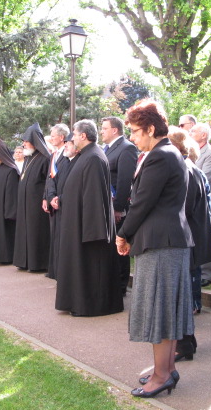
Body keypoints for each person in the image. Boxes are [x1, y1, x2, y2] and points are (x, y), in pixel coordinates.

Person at [116, 100, 194, 399]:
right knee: (166, 312)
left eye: (135, 131)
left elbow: (142, 203)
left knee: (161, 312)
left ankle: (162, 375)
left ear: (150, 128)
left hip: (162, 244)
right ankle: (166, 369)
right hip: (166, 242)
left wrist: (122, 235)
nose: (132, 137)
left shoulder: (160, 156)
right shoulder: (164, 153)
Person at [55, 120, 124, 316]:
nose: (72, 138)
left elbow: (94, 197)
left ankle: (90, 304)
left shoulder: (93, 157)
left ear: (83, 136)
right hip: (77, 223)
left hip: (87, 228)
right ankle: (76, 302)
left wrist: (92, 231)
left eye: (74, 135)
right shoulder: (85, 156)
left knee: (91, 269)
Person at [168, 126, 211, 360]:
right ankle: (186, 343)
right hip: (188, 240)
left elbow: (182, 211)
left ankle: (184, 344)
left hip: (185, 241)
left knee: (181, 295)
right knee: (182, 294)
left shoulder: (185, 170)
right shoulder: (189, 168)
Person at [101, 116, 138, 294]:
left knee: (120, 247)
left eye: (104, 128)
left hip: (118, 208)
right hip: (106, 206)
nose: (101, 131)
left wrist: (119, 208)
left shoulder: (127, 148)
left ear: (114, 130)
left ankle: (121, 286)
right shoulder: (106, 149)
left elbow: (124, 181)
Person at [14, 123, 51, 271]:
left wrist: (44, 198)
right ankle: (24, 261)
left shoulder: (45, 158)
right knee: (24, 232)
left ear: (35, 141)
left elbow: (48, 181)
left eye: (26, 141)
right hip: (24, 203)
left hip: (36, 204)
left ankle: (37, 263)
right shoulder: (29, 157)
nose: (24, 144)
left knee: (36, 232)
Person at [189, 122, 211, 286]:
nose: (190, 132)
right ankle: (195, 270)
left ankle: (207, 274)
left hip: (205, 203)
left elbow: (205, 178)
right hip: (191, 202)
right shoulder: (189, 152)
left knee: (205, 236)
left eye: (193, 131)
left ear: (203, 135)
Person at [48, 133, 79, 280]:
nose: (66, 145)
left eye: (69, 143)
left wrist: (59, 198)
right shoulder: (64, 161)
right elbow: (54, 180)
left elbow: (74, 188)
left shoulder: (79, 162)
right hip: (59, 205)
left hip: (70, 208)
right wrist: (51, 197)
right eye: (65, 142)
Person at [42, 123, 70, 278]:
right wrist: (47, 197)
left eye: (53, 136)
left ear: (62, 137)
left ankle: (61, 271)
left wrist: (57, 197)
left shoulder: (68, 154)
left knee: (61, 237)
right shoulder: (54, 155)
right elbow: (49, 178)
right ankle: (53, 269)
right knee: (54, 235)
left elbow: (64, 178)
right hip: (52, 199)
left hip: (62, 200)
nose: (51, 138)